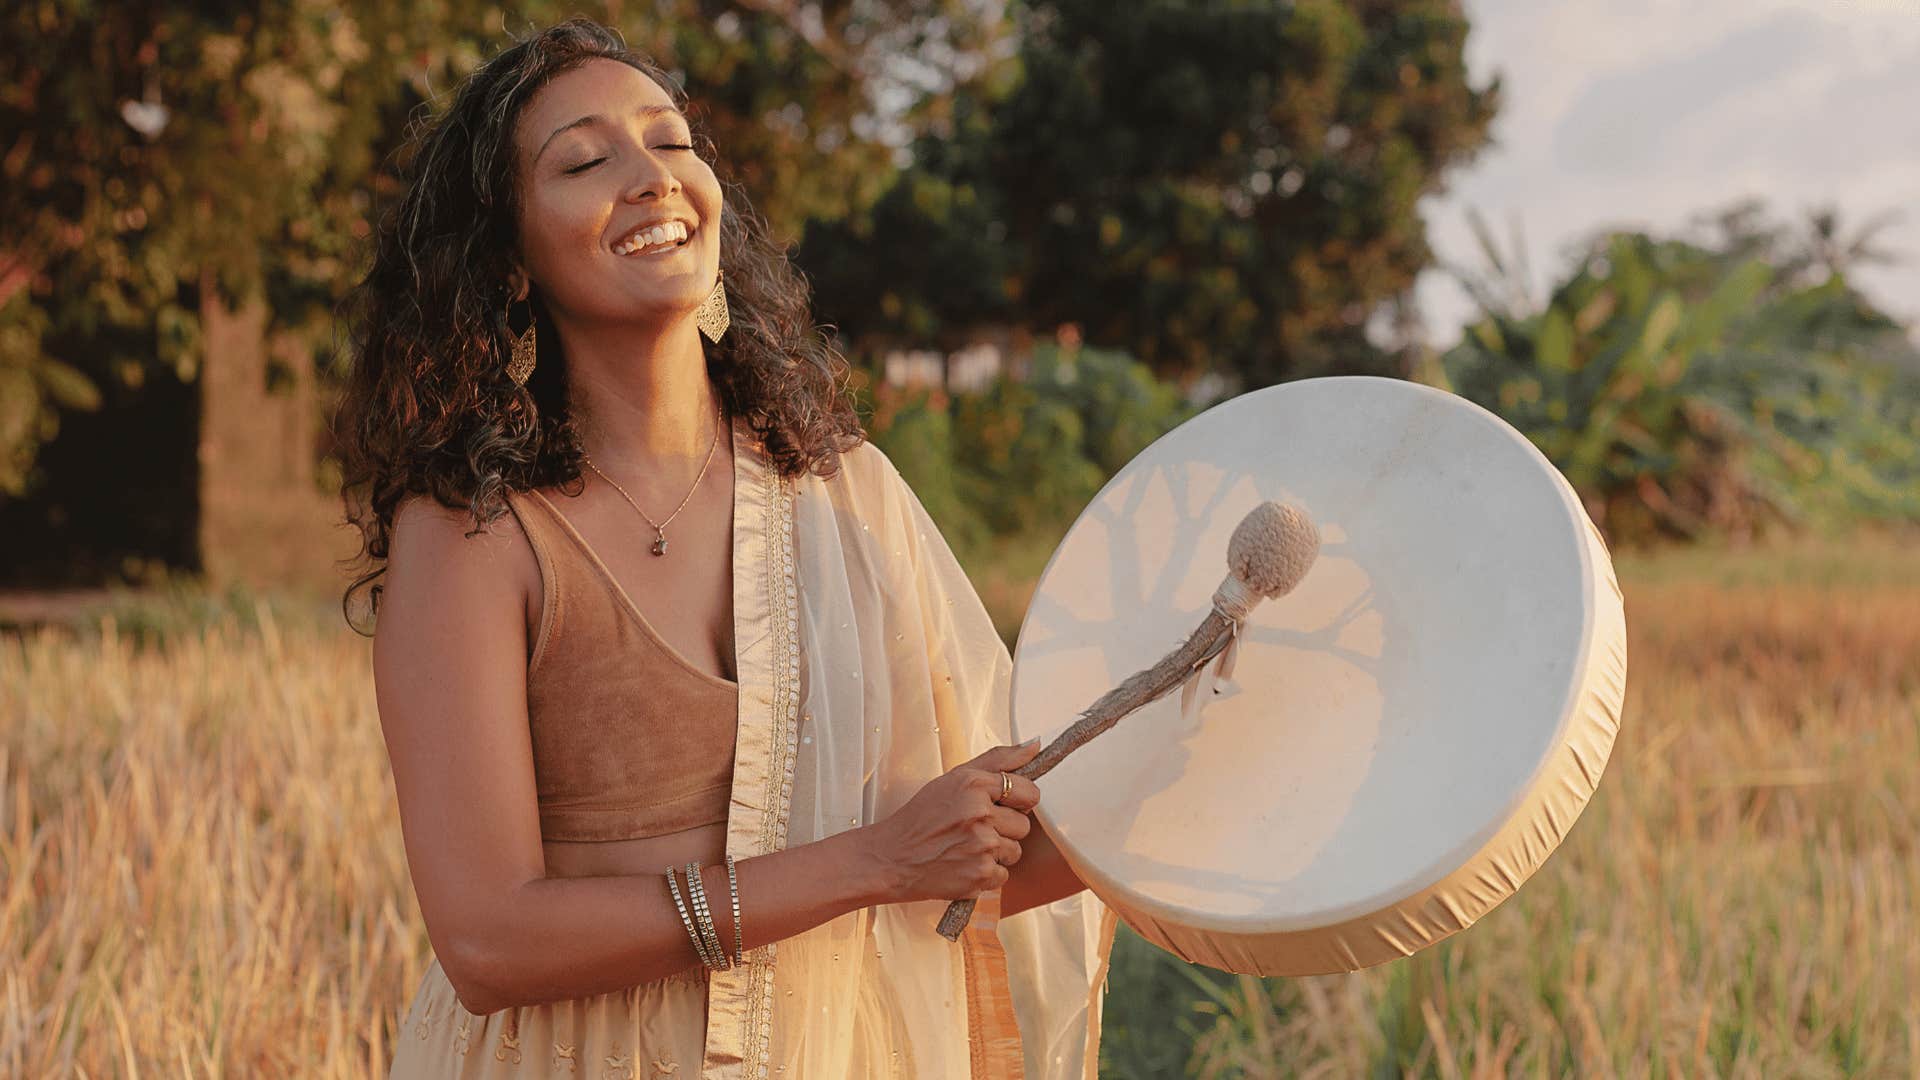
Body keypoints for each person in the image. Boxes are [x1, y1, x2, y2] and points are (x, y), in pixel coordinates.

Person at [331, 16, 1118, 1080]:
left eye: (670, 140)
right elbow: (487, 940)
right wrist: (868, 862)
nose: (651, 176)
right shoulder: (474, 535)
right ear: (506, 257)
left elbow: (952, 866)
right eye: (585, 159)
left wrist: (1209, 763)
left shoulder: (847, 499)